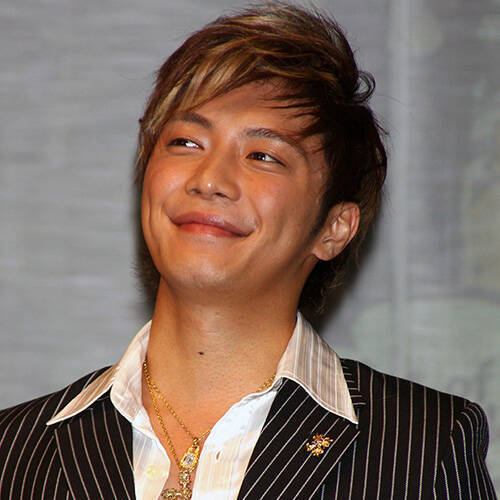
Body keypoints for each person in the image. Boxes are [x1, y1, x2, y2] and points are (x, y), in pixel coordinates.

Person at [0, 3, 495, 499]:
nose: (209, 179)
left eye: (262, 155)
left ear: (334, 228)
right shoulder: (14, 451)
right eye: (185, 142)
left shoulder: (422, 446)